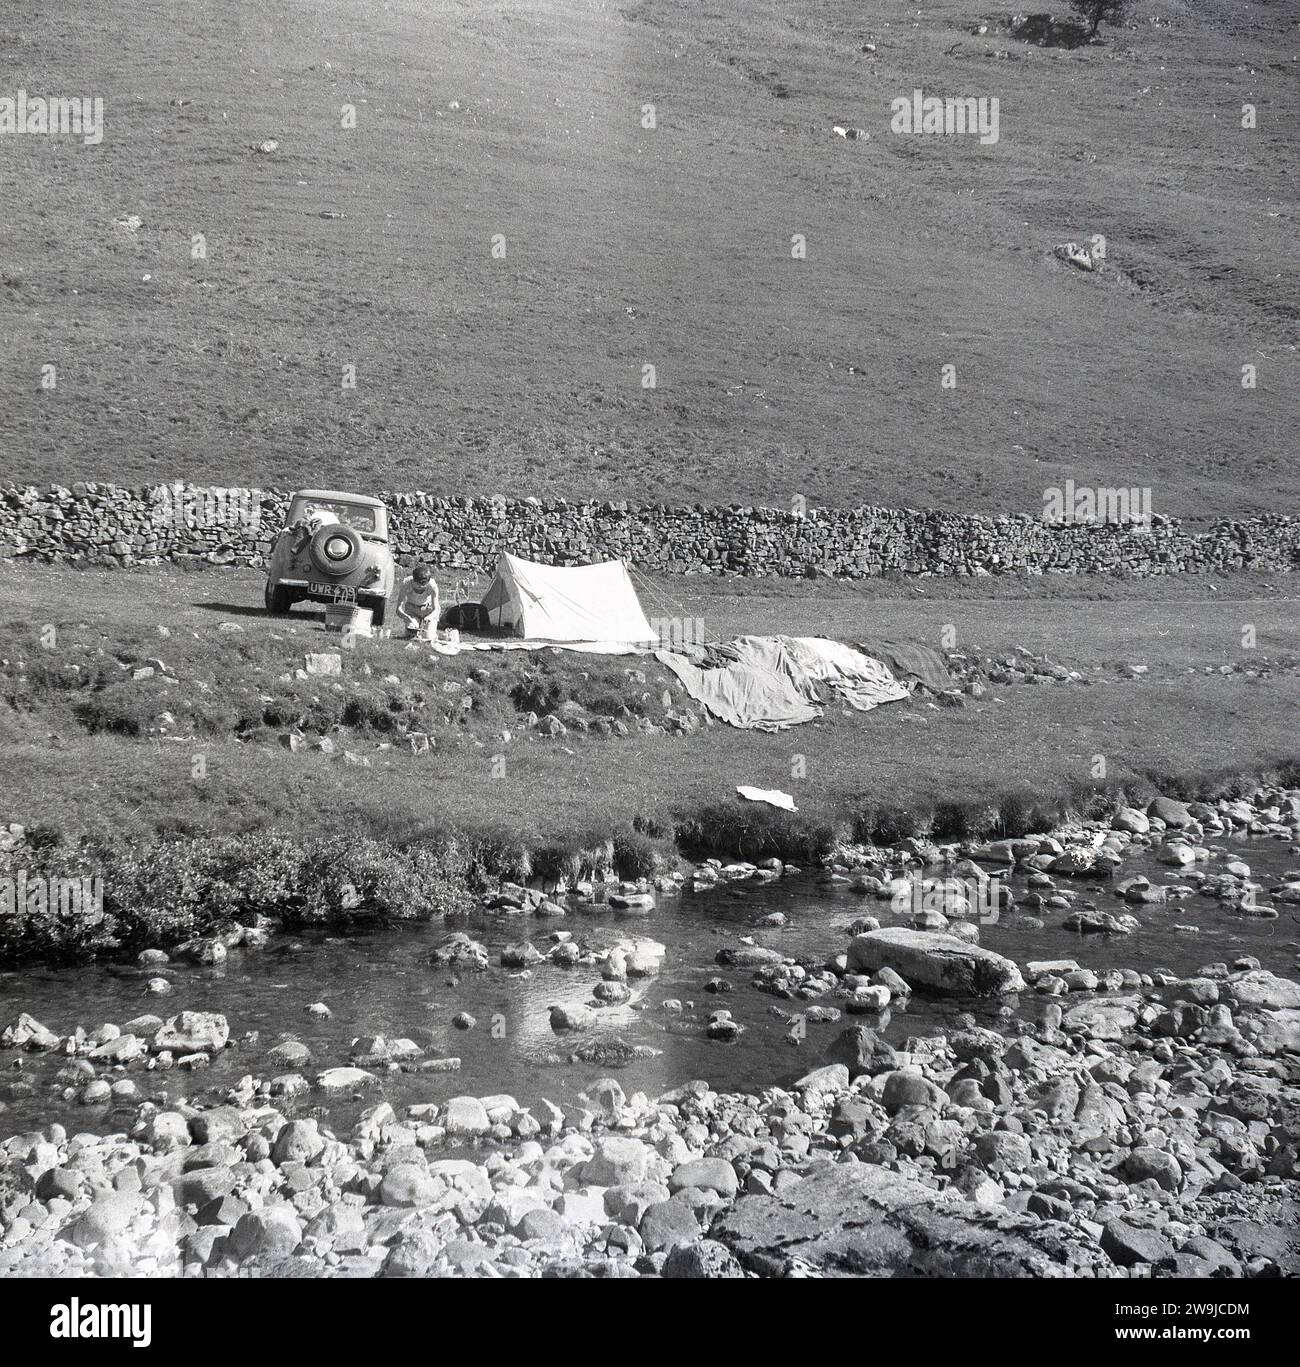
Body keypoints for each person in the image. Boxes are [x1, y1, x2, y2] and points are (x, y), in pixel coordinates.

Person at [396, 564, 440, 640]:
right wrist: (406, 617)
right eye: (417, 584)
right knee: (411, 635)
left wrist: (429, 617)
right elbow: (398, 608)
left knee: (428, 637)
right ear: (413, 580)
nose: (420, 587)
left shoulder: (432, 585)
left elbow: (436, 609)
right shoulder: (406, 583)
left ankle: (434, 635)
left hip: (428, 609)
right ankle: (414, 629)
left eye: (423, 584)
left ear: (428, 582)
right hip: (412, 609)